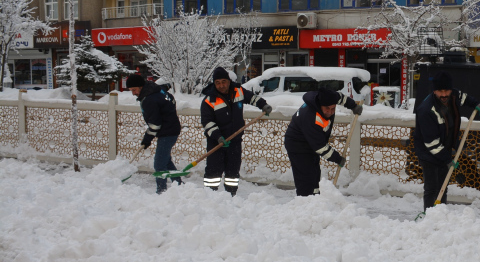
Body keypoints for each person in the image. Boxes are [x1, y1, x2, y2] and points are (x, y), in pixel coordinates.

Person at [413, 71, 480, 210]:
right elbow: (431, 143)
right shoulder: (426, 110)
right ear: (434, 91)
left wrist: (476, 104)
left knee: (443, 186)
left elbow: (464, 97)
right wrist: (447, 159)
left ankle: (441, 212)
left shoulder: (453, 95)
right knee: (432, 188)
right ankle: (429, 214)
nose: (444, 94)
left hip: (444, 147)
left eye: (446, 90)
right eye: (440, 91)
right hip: (428, 152)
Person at [200, 67, 272, 196]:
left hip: (235, 140)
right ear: (214, 84)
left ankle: (231, 195)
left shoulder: (238, 91)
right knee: (213, 172)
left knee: (232, 172)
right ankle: (209, 196)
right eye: (218, 83)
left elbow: (252, 98)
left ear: (228, 81)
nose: (221, 85)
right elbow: (207, 122)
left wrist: (263, 105)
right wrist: (218, 137)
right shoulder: (209, 100)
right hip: (217, 143)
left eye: (224, 82)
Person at [284, 87, 363, 196]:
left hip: (311, 142)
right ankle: (305, 200)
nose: (330, 112)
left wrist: (353, 106)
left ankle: (315, 197)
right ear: (319, 105)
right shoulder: (311, 117)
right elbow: (320, 147)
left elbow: (341, 98)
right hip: (297, 145)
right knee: (305, 177)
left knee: (315, 173)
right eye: (327, 108)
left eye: (333, 108)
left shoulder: (330, 97)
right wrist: (337, 158)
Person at [127, 74, 183, 194]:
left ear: (141, 86)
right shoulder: (156, 89)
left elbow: (155, 124)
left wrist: (147, 139)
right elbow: (170, 97)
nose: (133, 93)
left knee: (159, 163)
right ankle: (179, 184)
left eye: (134, 90)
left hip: (168, 132)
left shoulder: (149, 99)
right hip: (171, 129)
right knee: (165, 160)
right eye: (131, 90)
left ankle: (161, 191)